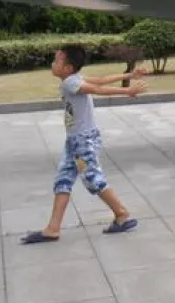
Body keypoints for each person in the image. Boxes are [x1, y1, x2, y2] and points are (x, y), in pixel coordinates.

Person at [19, 44, 148, 243]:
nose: (52, 64)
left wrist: (127, 92)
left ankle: (122, 214)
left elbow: (96, 88)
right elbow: (102, 80)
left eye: (57, 61)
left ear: (68, 68)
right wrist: (130, 75)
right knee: (63, 180)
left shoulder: (71, 83)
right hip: (74, 141)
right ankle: (53, 228)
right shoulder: (73, 79)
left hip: (83, 141)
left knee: (93, 179)